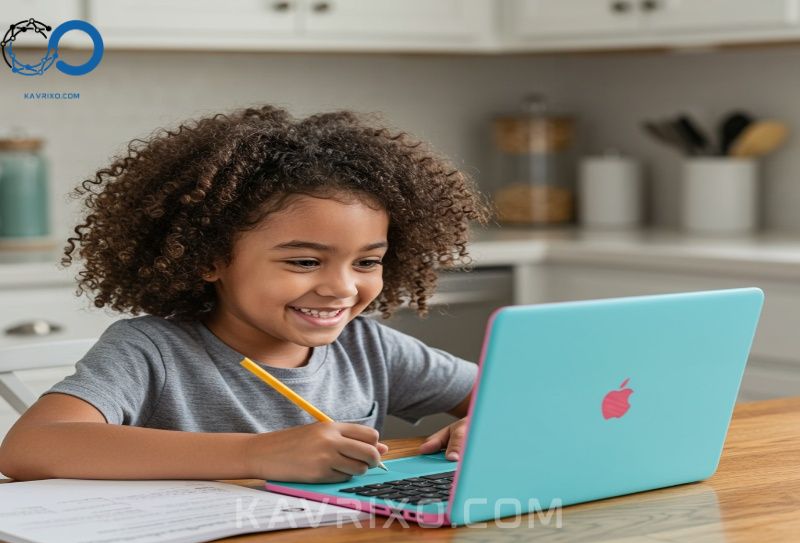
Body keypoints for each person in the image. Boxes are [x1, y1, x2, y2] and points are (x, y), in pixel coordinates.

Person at [0, 105, 491, 483]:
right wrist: (257, 453)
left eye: (366, 262)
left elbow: (512, 397)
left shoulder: (368, 348)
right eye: (304, 262)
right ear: (210, 259)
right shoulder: (150, 351)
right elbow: (30, 447)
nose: (342, 286)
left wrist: (490, 426)